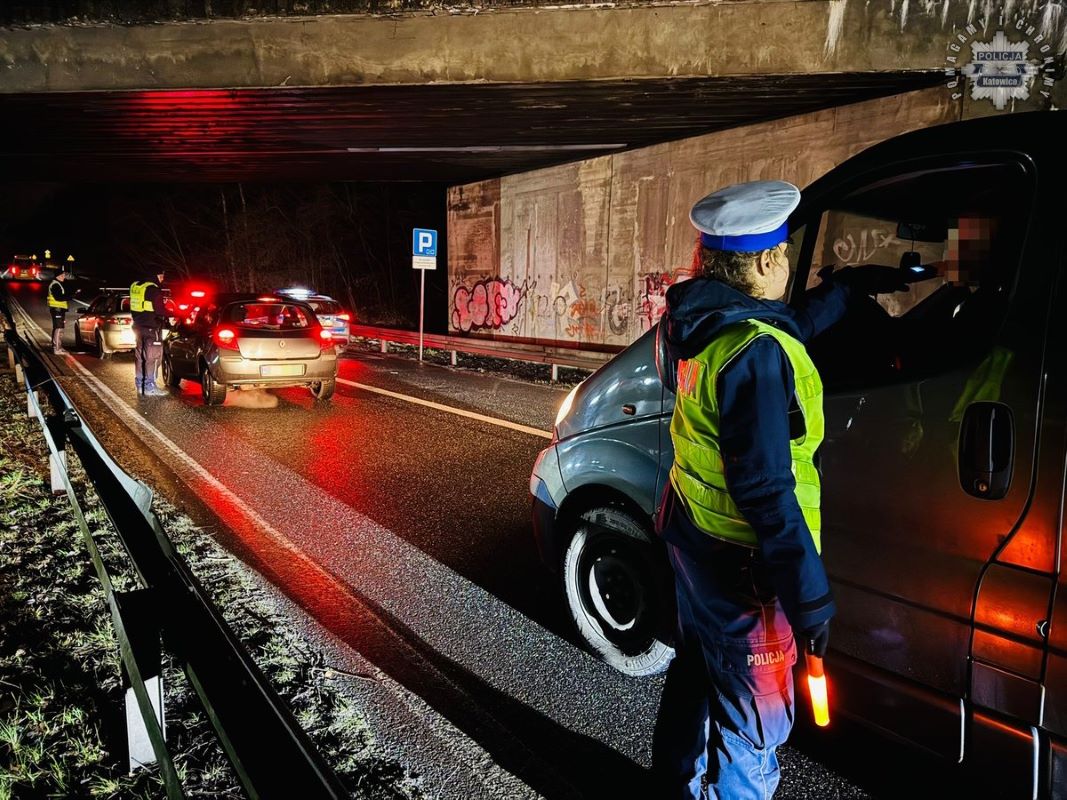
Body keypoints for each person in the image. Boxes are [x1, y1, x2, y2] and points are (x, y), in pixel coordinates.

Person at [650, 180, 907, 799]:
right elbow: (767, 490)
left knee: (698, 677)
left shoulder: (697, 325)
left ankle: (673, 786)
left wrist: (843, 295)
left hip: (696, 547)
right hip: (747, 575)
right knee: (753, 730)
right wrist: (811, 599)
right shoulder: (757, 357)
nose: (787, 265)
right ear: (765, 261)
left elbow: (777, 322)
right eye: (784, 255)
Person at [130, 269, 170, 396]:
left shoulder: (136, 286)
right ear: (157, 275)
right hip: (151, 327)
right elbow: (160, 311)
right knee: (153, 358)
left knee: (140, 357)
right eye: (162, 275)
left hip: (137, 326)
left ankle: (140, 385)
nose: (162, 278)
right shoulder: (153, 289)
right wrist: (173, 314)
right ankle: (150, 387)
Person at [46, 267, 70, 354]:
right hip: (57, 309)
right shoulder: (55, 284)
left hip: (59, 309)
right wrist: (70, 297)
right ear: (58, 276)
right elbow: (59, 297)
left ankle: (59, 346)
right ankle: (56, 348)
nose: (64, 276)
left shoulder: (58, 283)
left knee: (60, 328)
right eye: (63, 275)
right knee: (58, 328)